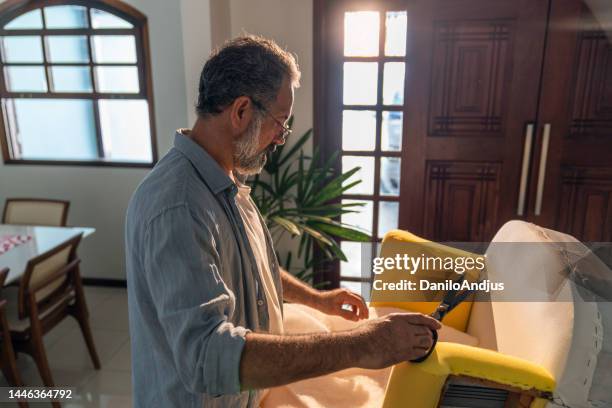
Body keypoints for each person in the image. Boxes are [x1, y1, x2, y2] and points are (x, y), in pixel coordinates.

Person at [125, 35, 440, 408]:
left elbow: (258, 268)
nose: (281, 138)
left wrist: (317, 299)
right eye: (280, 123)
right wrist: (364, 345)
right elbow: (206, 358)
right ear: (241, 111)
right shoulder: (177, 207)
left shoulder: (226, 181)